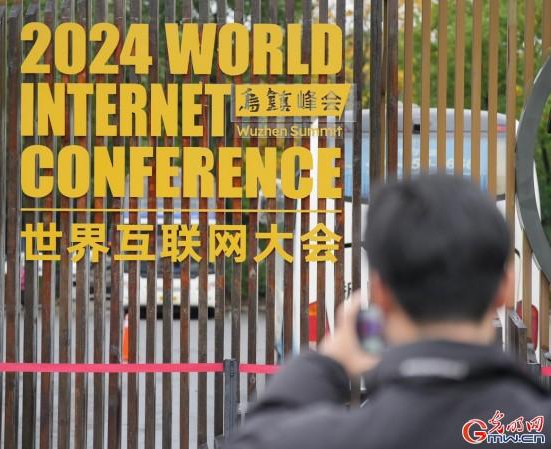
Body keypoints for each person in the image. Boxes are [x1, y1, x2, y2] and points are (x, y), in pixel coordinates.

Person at [227, 175, 551, 449]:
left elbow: (256, 437)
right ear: (506, 288)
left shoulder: (331, 438)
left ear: (380, 293)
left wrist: (326, 362)